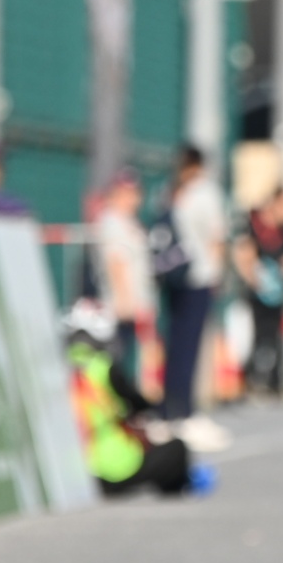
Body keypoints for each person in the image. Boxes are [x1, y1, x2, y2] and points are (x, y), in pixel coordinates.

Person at [63, 303, 195, 497]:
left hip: (72, 471)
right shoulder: (105, 368)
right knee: (176, 448)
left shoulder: (58, 367)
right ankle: (178, 491)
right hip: (112, 468)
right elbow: (139, 404)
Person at [155, 144, 229, 446]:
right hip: (197, 276)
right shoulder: (205, 193)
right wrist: (218, 273)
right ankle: (183, 411)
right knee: (189, 346)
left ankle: (168, 408)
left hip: (172, 275)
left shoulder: (170, 192)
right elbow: (216, 237)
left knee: (175, 344)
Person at [90, 169, 155, 394]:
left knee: (128, 360)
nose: (133, 199)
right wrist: (125, 301)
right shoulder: (112, 222)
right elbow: (116, 263)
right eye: (126, 193)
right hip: (119, 307)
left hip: (133, 305)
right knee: (116, 360)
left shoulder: (130, 222)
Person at [235, 186, 283, 399]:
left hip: (277, 293)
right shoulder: (254, 223)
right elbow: (244, 253)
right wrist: (255, 279)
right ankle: (250, 379)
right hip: (258, 292)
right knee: (256, 336)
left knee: (276, 337)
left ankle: (275, 382)